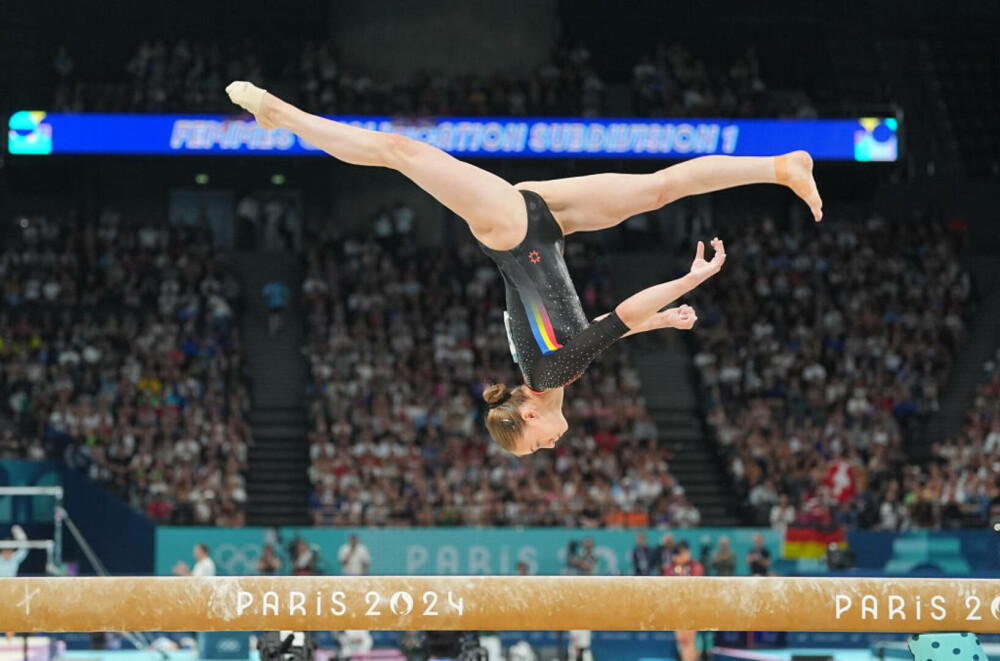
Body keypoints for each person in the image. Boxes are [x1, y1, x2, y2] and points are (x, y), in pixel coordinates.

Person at [226, 82, 823, 457]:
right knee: (659, 189)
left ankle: (284, 116)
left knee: (401, 154)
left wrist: (688, 283)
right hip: (547, 228)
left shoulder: (555, 369)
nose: (550, 446)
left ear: (530, 414)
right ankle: (780, 166)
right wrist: (660, 325)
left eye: (535, 445)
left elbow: (619, 315)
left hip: (509, 227)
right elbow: (595, 327)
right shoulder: (553, 370)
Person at [663, 541, 705, 661]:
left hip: (691, 606)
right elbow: (666, 585)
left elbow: (697, 582)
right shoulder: (670, 568)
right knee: (681, 640)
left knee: (687, 640)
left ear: (687, 553)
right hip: (676, 607)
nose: (679, 557)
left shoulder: (695, 566)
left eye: (683, 553)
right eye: (677, 554)